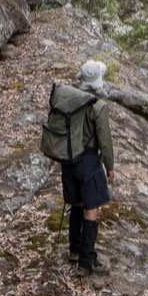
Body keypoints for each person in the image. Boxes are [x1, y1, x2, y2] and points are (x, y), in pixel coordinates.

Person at [56, 59, 115, 276]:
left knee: (77, 202)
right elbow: (105, 141)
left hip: (68, 160)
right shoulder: (98, 107)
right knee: (93, 208)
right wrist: (109, 167)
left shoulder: (71, 100)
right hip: (88, 161)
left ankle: (74, 250)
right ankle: (87, 260)